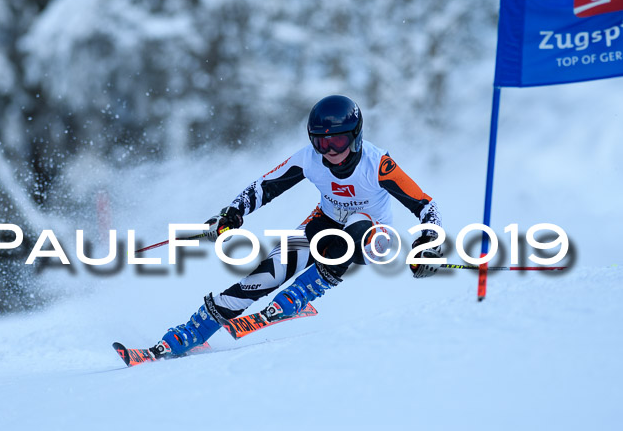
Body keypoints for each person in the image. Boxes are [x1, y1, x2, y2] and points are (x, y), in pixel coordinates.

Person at [148, 95, 442, 358]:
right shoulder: (309, 159)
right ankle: (193, 331)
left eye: (336, 141)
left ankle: (300, 295)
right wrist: (232, 214)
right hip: (325, 221)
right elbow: (264, 187)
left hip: (373, 235)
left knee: (353, 231)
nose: (328, 151)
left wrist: (428, 245)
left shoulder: (377, 164)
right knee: (266, 276)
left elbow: (426, 205)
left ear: (355, 137)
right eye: (320, 141)